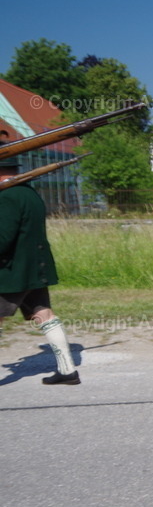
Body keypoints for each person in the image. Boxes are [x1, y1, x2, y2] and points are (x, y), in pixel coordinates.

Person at [0, 146, 80, 385]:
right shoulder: (27, 192)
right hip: (32, 267)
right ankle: (67, 370)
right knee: (44, 314)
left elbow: (2, 240)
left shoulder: (6, 196)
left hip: (11, 270)